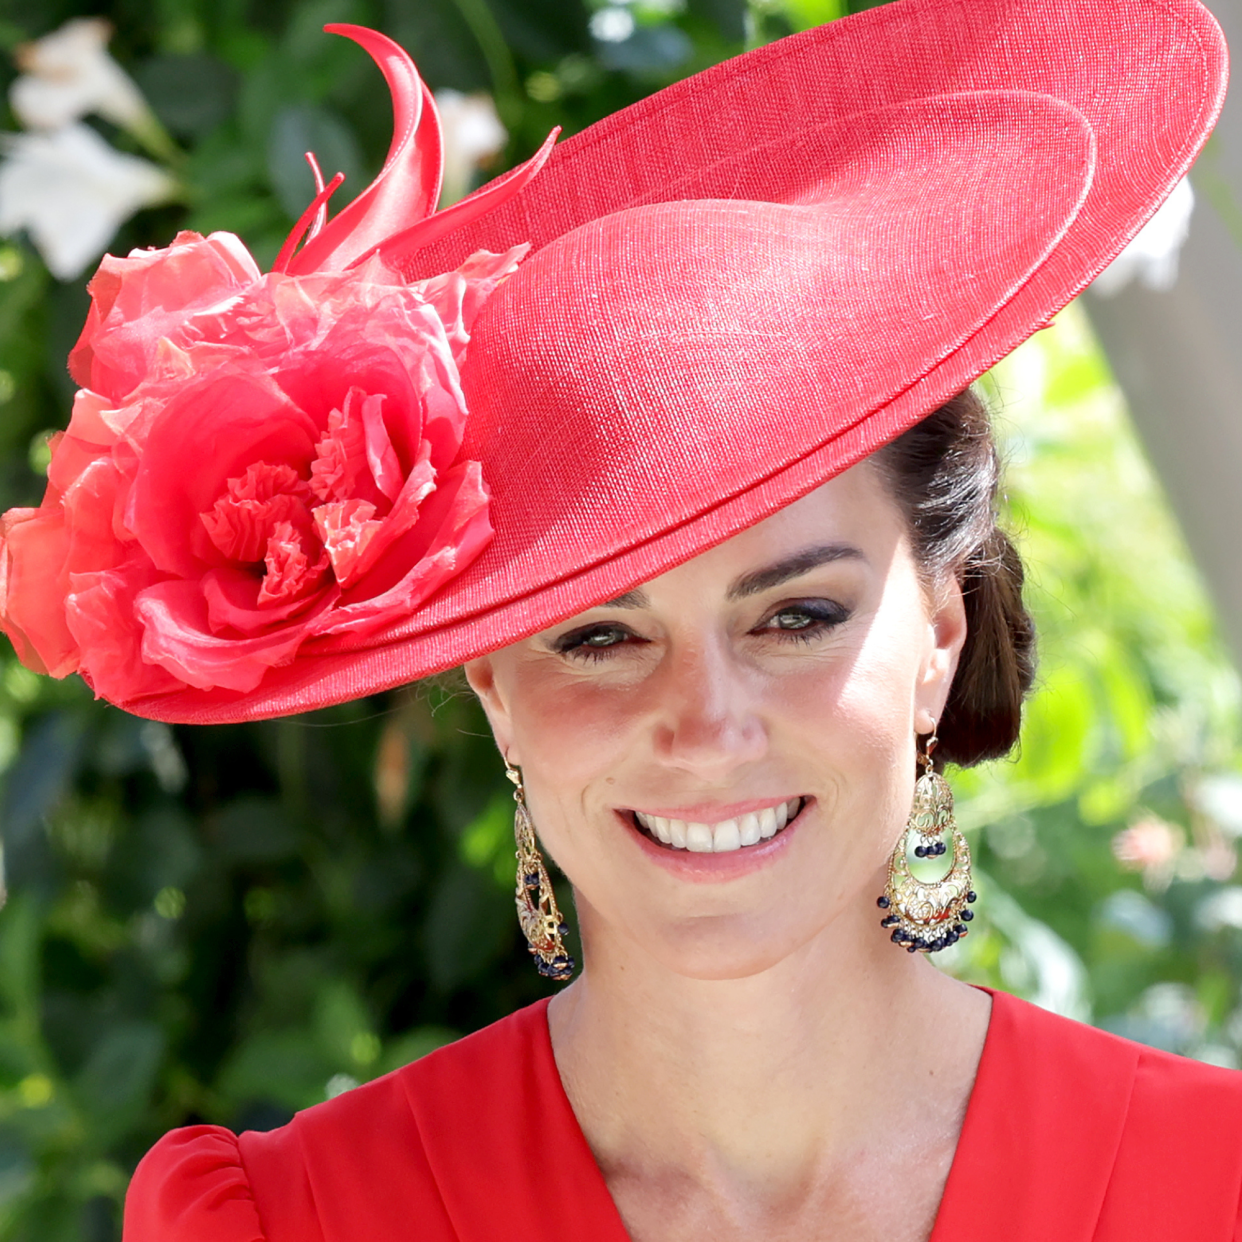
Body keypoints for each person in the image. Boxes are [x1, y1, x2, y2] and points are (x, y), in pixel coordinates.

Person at [0, 0, 1236, 1238]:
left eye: (796, 616)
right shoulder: (291, 1222)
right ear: (489, 683)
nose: (704, 726)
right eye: (598, 636)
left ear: (941, 635)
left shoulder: (1214, 1184)